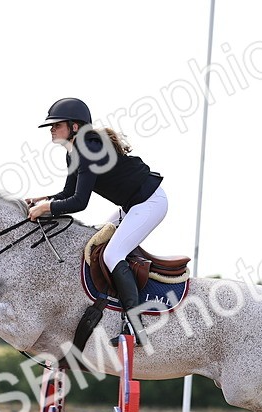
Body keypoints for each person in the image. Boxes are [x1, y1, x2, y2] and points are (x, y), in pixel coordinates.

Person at [25, 97, 167, 331]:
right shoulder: (74, 152)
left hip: (150, 203)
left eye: (57, 125)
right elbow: (68, 193)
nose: (52, 129)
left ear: (75, 127)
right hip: (132, 206)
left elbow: (79, 202)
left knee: (112, 254)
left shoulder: (87, 150)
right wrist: (44, 200)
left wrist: (46, 208)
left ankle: (135, 325)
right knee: (92, 243)